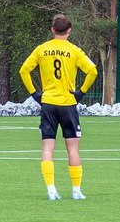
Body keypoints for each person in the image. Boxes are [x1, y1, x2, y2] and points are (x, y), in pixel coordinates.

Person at [19, 14, 98, 199]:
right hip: (68, 104)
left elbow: (24, 70)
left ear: (52, 30)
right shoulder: (74, 50)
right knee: (73, 149)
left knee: (47, 148)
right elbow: (92, 71)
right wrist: (81, 92)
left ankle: (51, 190)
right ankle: (76, 191)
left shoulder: (42, 49)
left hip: (48, 104)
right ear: (69, 30)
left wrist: (34, 94)